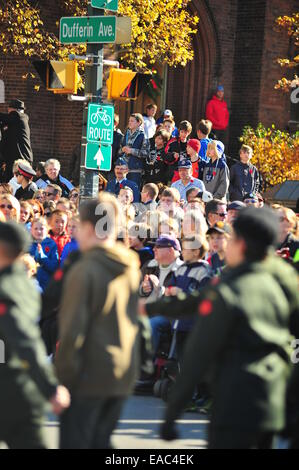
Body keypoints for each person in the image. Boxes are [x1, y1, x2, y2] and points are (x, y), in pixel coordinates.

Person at [143, 206, 299, 449]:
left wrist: (172, 413)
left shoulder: (231, 289)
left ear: (243, 245)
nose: (227, 245)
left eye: (232, 239)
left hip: (235, 402)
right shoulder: (287, 279)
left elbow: (198, 353)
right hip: (273, 399)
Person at [56, 194, 141, 449]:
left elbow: (72, 331)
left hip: (88, 375)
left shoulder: (84, 270)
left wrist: (62, 380)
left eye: (78, 227)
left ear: (89, 228)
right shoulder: (130, 265)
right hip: (122, 372)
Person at [0, 221, 70, 449]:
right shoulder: (24, 285)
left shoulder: (7, 290)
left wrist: (50, 387)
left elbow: (23, 339)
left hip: (12, 389)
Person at [140, 234, 183, 355]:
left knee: (151, 324)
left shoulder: (181, 269)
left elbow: (177, 300)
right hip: (146, 310)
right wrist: (143, 289)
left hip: (167, 316)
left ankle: (145, 366)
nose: (153, 249)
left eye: (158, 247)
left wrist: (160, 289)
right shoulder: (149, 266)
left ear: (170, 250)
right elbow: (134, 290)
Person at [0, 99, 33, 182]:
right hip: (11, 159)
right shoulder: (11, 122)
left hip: (21, 159)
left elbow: (11, 117)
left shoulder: (20, 117)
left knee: (17, 183)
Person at [119, 113, 149, 189]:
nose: (129, 122)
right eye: (129, 121)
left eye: (132, 121)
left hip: (135, 171)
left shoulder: (143, 136)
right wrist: (122, 150)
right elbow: (119, 151)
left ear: (139, 123)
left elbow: (146, 153)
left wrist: (131, 151)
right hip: (123, 169)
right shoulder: (126, 134)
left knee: (133, 193)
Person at [29, 217, 59, 291]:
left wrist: (42, 257)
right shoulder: (27, 244)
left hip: (46, 285)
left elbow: (54, 267)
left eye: (41, 229)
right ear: (31, 230)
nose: (39, 231)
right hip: (30, 285)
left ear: (47, 230)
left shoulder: (52, 244)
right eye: (36, 228)